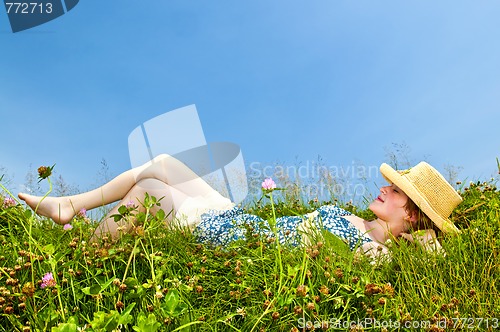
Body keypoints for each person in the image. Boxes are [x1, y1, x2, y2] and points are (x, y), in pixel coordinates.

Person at [18, 154, 462, 255]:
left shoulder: (377, 254)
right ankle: (69, 205)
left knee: (150, 192)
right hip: (246, 221)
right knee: (164, 163)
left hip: (237, 239)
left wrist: (426, 241)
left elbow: (427, 253)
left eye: (398, 192)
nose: (385, 189)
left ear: (414, 215)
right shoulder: (354, 220)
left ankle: (81, 257)